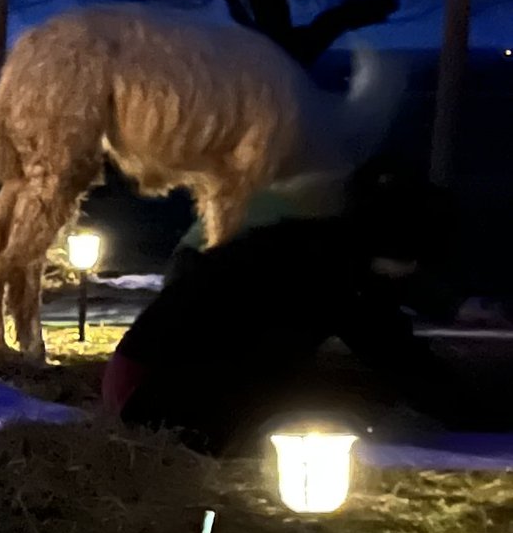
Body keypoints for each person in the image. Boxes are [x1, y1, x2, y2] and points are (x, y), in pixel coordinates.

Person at [102, 163, 473, 456]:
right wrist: (470, 413)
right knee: (333, 403)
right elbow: (391, 350)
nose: (415, 275)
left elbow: (388, 343)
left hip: (147, 378)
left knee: (334, 392)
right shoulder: (328, 273)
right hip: (153, 395)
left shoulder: (318, 249)